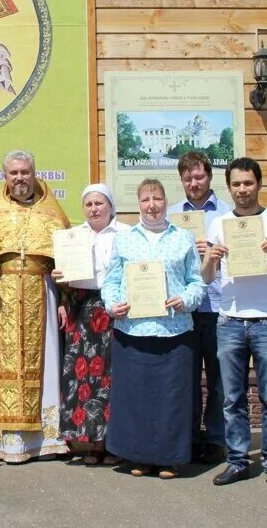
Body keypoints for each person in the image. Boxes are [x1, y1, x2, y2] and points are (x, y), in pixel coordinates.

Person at [204, 157, 267, 491]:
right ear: (229, 187)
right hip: (230, 320)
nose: (242, 190)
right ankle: (238, 462)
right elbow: (206, 277)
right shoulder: (219, 224)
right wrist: (210, 258)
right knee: (233, 399)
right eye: (236, 184)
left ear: (258, 184)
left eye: (248, 183)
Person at [0, 150, 70, 463]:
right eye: (14, 173)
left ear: (34, 173)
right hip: (3, 296)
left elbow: (65, 260)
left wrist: (64, 300)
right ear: (5, 176)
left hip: (43, 290)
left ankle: (45, 440)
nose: (20, 178)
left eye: (25, 172)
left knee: (47, 359)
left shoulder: (52, 211)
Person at [102, 179, 206, 479]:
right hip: (132, 330)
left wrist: (185, 299)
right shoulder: (124, 240)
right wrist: (112, 304)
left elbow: (196, 282)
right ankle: (139, 457)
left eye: (157, 199)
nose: (152, 205)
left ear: (165, 201)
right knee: (135, 397)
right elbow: (111, 282)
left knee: (171, 397)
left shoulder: (183, 238)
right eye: (146, 199)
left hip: (174, 331)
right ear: (138, 204)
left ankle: (169, 459)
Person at [53, 184, 129, 465]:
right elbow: (65, 280)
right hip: (82, 309)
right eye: (89, 204)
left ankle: (114, 443)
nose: (94, 209)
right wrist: (59, 279)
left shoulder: (125, 234)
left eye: (99, 203)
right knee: (83, 374)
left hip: (114, 308)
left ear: (110, 206)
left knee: (112, 374)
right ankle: (92, 443)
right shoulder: (74, 236)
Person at [167, 151, 233, 464]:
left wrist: (216, 251)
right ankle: (190, 438)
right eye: (188, 178)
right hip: (183, 307)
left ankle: (217, 439)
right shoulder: (170, 215)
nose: (194, 183)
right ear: (181, 180)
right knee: (187, 376)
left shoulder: (227, 214)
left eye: (200, 177)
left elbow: (244, 259)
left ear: (209, 177)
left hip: (219, 304)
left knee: (219, 378)